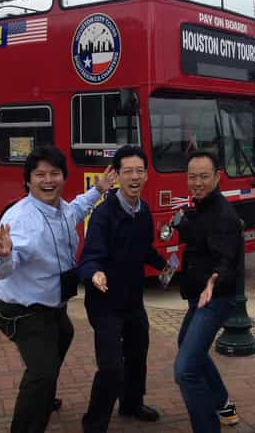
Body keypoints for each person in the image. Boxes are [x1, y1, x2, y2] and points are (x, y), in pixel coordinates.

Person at [0, 145, 115, 433]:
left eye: (54, 173)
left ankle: (42, 394)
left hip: (52, 305)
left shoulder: (62, 209)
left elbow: (78, 209)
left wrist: (100, 189)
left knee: (65, 334)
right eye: (40, 174)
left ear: (63, 177)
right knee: (42, 372)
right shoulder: (20, 219)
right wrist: (4, 255)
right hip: (21, 310)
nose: (48, 180)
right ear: (28, 180)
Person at [78, 146, 170, 432]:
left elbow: (143, 248)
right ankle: (94, 424)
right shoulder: (104, 214)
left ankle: (131, 403)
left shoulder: (143, 213)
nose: (134, 176)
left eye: (139, 170)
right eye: (127, 171)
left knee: (138, 352)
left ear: (146, 175)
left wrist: (164, 265)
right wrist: (95, 273)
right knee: (111, 367)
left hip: (132, 300)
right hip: (104, 302)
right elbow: (89, 257)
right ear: (117, 176)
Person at [174, 150, 242, 432]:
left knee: (185, 370)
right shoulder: (201, 207)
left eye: (204, 176)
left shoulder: (224, 215)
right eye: (192, 177)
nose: (197, 182)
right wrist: (184, 225)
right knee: (189, 350)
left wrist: (214, 280)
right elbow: (201, 239)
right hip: (198, 297)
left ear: (217, 177)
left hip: (215, 299)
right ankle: (222, 403)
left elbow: (226, 259)